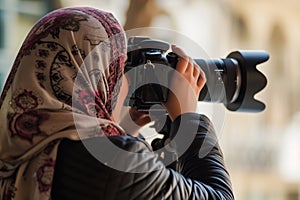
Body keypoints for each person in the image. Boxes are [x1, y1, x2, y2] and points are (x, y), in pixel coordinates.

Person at [0, 6, 234, 200]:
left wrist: (125, 128)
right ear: (94, 78)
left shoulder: (17, 139)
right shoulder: (113, 162)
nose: (123, 80)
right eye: (118, 67)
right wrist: (188, 118)